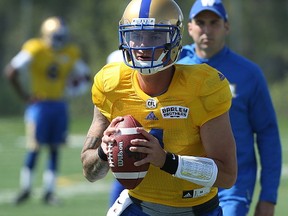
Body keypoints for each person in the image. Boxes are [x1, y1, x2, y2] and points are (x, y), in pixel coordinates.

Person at [81, 0, 237, 215]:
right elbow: (89, 172)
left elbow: (227, 175)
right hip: (137, 207)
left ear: (173, 38)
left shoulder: (203, 86)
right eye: (136, 35)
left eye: (154, 36)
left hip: (194, 209)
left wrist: (166, 160)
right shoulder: (111, 84)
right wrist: (103, 151)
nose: (142, 46)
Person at [177, 1, 282, 216]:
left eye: (214, 23)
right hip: (184, 181)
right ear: (189, 27)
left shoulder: (249, 74)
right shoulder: (174, 68)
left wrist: (268, 197)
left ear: (226, 26)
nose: (207, 30)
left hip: (232, 185)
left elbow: (268, 134)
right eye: (200, 22)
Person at [4, 16, 91, 205]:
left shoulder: (70, 52)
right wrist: (25, 96)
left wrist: (72, 89)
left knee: (53, 149)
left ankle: (48, 191)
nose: (59, 40)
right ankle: (27, 188)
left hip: (58, 105)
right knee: (35, 147)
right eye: (56, 35)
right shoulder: (36, 48)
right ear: (47, 34)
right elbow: (11, 71)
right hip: (41, 106)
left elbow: (85, 76)